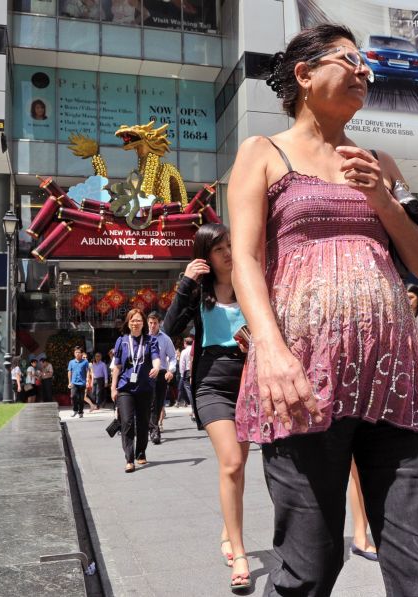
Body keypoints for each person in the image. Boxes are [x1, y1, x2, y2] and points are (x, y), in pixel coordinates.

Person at [229, 23, 418, 596]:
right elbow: (246, 261)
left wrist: (381, 198)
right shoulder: (262, 153)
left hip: (392, 380)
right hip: (300, 382)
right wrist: (271, 352)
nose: (364, 72)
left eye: (366, 65)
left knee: (414, 560)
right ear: (304, 74)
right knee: (310, 564)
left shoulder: (379, 162)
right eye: (349, 60)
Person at [164, 223, 252, 590]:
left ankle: (227, 528)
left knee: (238, 466)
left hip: (250, 381)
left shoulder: (252, 285)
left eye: (232, 245)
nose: (229, 253)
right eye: (220, 249)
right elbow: (168, 330)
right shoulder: (200, 294)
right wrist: (186, 282)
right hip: (212, 383)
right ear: (206, 257)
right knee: (231, 461)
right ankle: (241, 553)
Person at [110, 309, 161, 473]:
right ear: (128, 323)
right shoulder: (122, 341)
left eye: (139, 320)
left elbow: (156, 357)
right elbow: (117, 366)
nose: (136, 323)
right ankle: (129, 459)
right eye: (133, 320)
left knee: (143, 422)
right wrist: (113, 387)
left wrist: (157, 367)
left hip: (145, 387)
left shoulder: (150, 340)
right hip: (125, 387)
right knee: (127, 422)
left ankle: (140, 452)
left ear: (143, 323)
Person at [147, 312, 176, 444]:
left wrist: (171, 370)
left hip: (161, 374)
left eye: (155, 323)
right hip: (145, 375)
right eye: (150, 323)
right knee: (149, 403)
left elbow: (173, 357)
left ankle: (153, 428)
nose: (152, 326)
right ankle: (153, 429)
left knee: (157, 403)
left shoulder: (165, 339)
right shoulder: (142, 338)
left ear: (160, 323)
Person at [67, 347, 90, 418]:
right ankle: (75, 410)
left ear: (81, 353)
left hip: (82, 383)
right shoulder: (71, 362)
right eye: (76, 352)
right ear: (74, 353)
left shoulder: (85, 362)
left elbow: (88, 371)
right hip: (74, 382)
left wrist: (87, 381)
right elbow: (69, 372)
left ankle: (80, 412)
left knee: (81, 398)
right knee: (73, 396)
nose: (77, 353)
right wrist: (69, 382)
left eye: (78, 352)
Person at [177, 336, 194, 416]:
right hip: (195, 371)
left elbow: (182, 363)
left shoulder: (184, 351)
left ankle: (194, 409)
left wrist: (181, 373)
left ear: (185, 343)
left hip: (187, 372)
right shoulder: (194, 349)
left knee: (189, 390)